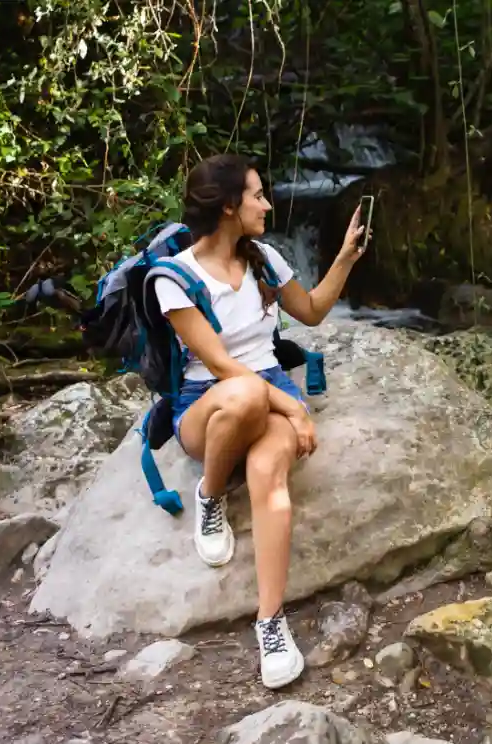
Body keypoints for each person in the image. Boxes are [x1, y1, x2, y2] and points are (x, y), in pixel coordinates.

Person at [153, 154, 367, 690]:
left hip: (264, 388)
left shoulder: (266, 260)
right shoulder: (173, 278)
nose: (267, 204)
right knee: (245, 390)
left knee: (272, 479)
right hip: (210, 403)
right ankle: (210, 493)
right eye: (257, 195)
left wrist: (344, 258)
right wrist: (294, 407)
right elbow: (224, 369)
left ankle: (270, 622)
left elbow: (313, 310)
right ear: (228, 207)